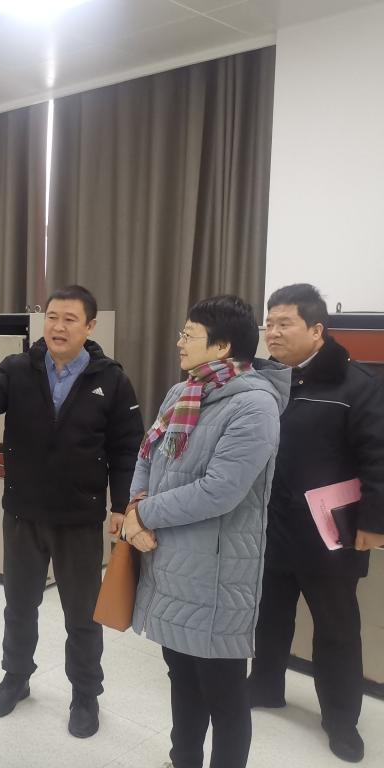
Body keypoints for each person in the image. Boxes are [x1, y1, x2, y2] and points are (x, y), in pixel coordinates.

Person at [0, 285, 144, 735]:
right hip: (24, 513)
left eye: (70, 319)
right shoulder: (19, 368)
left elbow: (127, 449)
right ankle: (16, 677)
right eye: (52, 317)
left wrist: (122, 505)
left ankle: (85, 694)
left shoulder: (112, 380)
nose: (58, 327)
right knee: (19, 606)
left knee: (82, 615)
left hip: (79, 519)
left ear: (90, 326)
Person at [123, 295, 288, 768]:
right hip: (168, 561)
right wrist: (135, 508)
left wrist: (145, 514)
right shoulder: (183, 391)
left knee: (224, 694)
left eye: (188, 334)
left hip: (216, 577)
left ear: (222, 347)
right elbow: (148, 453)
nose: (179, 342)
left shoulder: (255, 405)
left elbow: (220, 490)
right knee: (181, 676)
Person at [248, 284, 384, 763]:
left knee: (336, 628)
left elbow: (378, 458)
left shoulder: (356, 385)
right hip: (270, 524)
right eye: (269, 323)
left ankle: (341, 720)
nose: (273, 332)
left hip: (330, 533)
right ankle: (265, 686)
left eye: (284, 323)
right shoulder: (263, 379)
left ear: (317, 330)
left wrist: (375, 522)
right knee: (268, 614)